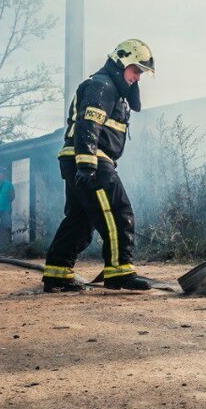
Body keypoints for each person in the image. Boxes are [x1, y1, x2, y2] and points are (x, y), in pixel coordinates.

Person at [42, 39, 156, 292]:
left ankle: (57, 273)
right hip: (91, 159)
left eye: (141, 73)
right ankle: (119, 272)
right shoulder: (102, 86)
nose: (138, 77)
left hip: (80, 159)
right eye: (136, 70)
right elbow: (87, 126)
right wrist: (87, 165)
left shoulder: (109, 89)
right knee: (118, 213)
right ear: (121, 62)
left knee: (80, 220)